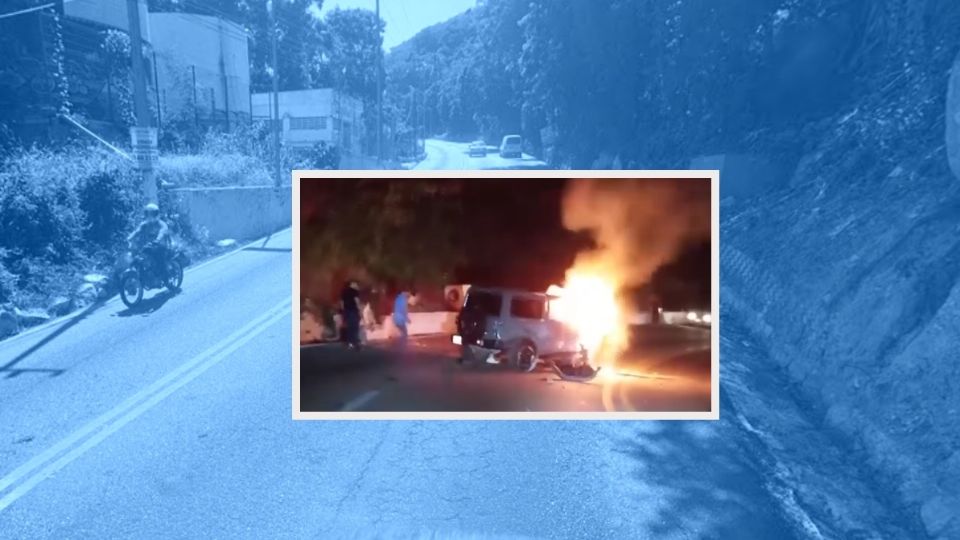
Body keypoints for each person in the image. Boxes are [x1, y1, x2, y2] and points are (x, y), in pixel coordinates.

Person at [127, 203, 171, 283]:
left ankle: (165, 277)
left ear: (157, 214)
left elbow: (162, 232)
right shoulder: (145, 225)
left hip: (162, 246)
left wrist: (157, 240)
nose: (150, 216)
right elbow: (137, 231)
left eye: (153, 213)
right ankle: (144, 275)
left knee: (159, 260)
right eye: (148, 213)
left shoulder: (161, 224)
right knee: (139, 257)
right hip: (150, 246)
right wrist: (129, 238)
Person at [340, 280, 362, 350]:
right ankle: (355, 343)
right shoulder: (354, 291)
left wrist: (343, 311)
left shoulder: (344, 291)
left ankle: (350, 343)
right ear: (352, 284)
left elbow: (342, 302)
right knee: (355, 327)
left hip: (346, 311)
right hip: (353, 310)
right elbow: (356, 300)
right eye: (356, 284)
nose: (357, 286)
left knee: (349, 327)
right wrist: (360, 310)